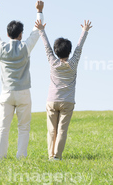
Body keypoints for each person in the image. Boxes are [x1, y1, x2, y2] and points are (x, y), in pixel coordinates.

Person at [0, 1, 45, 160]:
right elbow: (36, 33)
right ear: (20, 35)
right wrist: (39, 11)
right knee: (24, 128)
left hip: (6, 92)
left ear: (8, 35)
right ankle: (21, 157)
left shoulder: (1, 48)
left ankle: (0, 157)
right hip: (23, 92)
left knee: (3, 128)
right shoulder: (25, 47)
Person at [34, 17, 92, 160]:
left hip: (52, 101)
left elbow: (46, 47)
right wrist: (84, 31)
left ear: (56, 51)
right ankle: (57, 157)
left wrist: (41, 30)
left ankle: (50, 155)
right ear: (69, 51)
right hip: (67, 102)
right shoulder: (73, 62)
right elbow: (79, 47)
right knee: (62, 130)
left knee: (51, 130)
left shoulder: (52, 61)